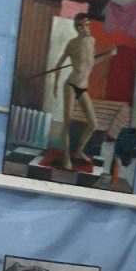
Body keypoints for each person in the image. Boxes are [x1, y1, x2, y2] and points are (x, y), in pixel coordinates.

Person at [53, 13, 117, 171]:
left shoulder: (91, 41)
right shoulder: (72, 44)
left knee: (93, 124)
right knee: (67, 122)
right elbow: (58, 65)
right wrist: (55, 85)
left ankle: (78, 151)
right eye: (85, 26)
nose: (88, 28)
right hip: (71, 84)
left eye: (89, 25)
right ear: (78, 28)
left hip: (83, 88)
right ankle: (66, 157)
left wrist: (108, 54)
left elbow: (91, 63)